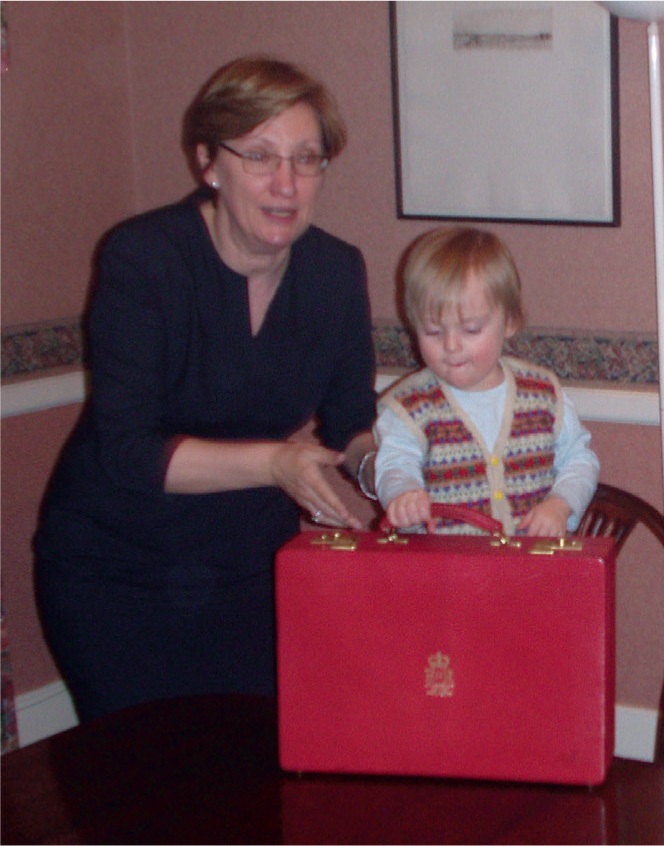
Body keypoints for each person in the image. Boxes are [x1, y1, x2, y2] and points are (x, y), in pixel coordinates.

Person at [35, 56, 378, 723]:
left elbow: (349, 422)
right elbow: (130, 452)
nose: (285, 183)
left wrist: (394, 471)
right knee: (142, 798)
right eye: (259, 156)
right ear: (207, 163)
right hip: (114, 575)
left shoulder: (337, 272)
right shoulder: (144, 258)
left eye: (306, 159)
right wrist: (273, 464)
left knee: (255, 789)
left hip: (248, 572)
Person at [374, 226, 599, 537]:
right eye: (433, 331)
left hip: (532, 571)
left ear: (509, 321)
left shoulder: (543, 393)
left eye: (471, 329)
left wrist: (561, 504)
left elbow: (580, 459)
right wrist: (404, 494)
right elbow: (393, 465)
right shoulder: (409, 407)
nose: (451, 345)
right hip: (447, 575)